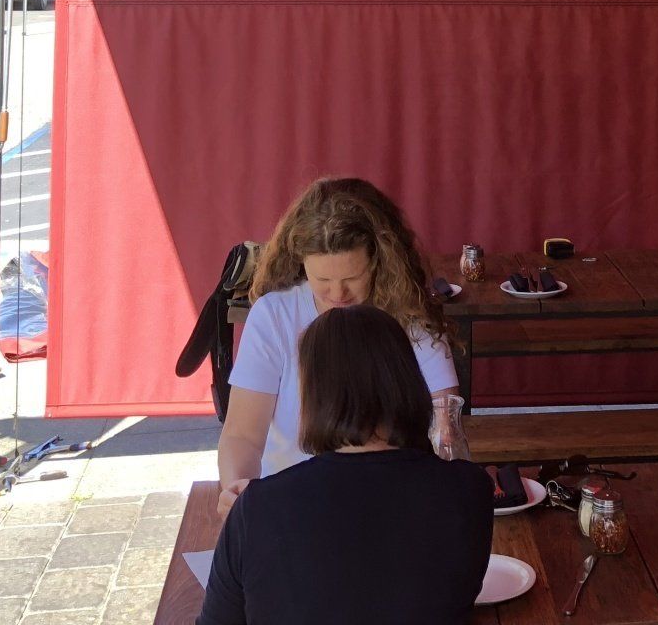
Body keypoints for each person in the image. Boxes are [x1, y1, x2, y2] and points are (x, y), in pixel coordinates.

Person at [197, 305, 493, 625]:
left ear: (315, 395)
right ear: (407, 381)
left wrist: (254, 513)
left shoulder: (257, 509)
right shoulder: (469, 489)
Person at [217, 177, 458, 515]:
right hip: (291, 504)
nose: (337, 294)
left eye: (351, 278)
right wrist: (235, 489)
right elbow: (242, 434)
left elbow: (446, 421)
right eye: (323, 280)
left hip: (390, 502)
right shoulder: (275, 315)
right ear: (302, 264)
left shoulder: (408, 313)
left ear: (377, 260)